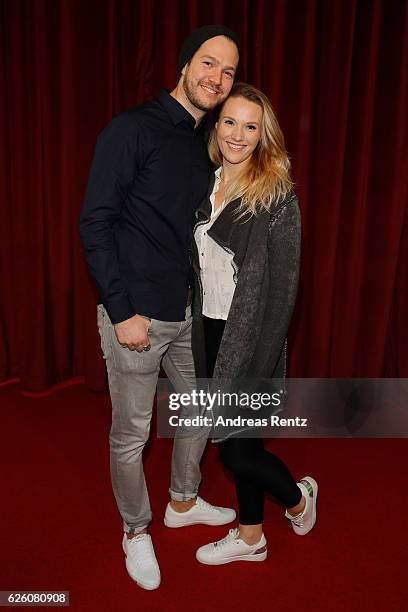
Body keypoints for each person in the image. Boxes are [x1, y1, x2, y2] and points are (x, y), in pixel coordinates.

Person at [79, 25, 241, 590]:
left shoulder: (206, 144)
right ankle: (135, 530)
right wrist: (121, 311)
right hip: (136, 319)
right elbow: (95, 222)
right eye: (209, 63)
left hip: (186, 314)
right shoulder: (132, 130)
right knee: (133, 433)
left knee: (200, 412)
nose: (217, 78)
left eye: (227, 72)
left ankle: (182, 500)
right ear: (184, 64)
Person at [191, 82, 318, 565]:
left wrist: (262, 358)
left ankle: (300, 498)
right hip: (208, 331)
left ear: (264, 134)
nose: (238, 135)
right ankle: (250, 536)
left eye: (250, 125)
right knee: (237, 444)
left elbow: (284, 290)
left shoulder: (276, 196)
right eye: (229, 122)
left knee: (237, 453)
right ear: (216, 125)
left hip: (250, 339)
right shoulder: (207, 182)